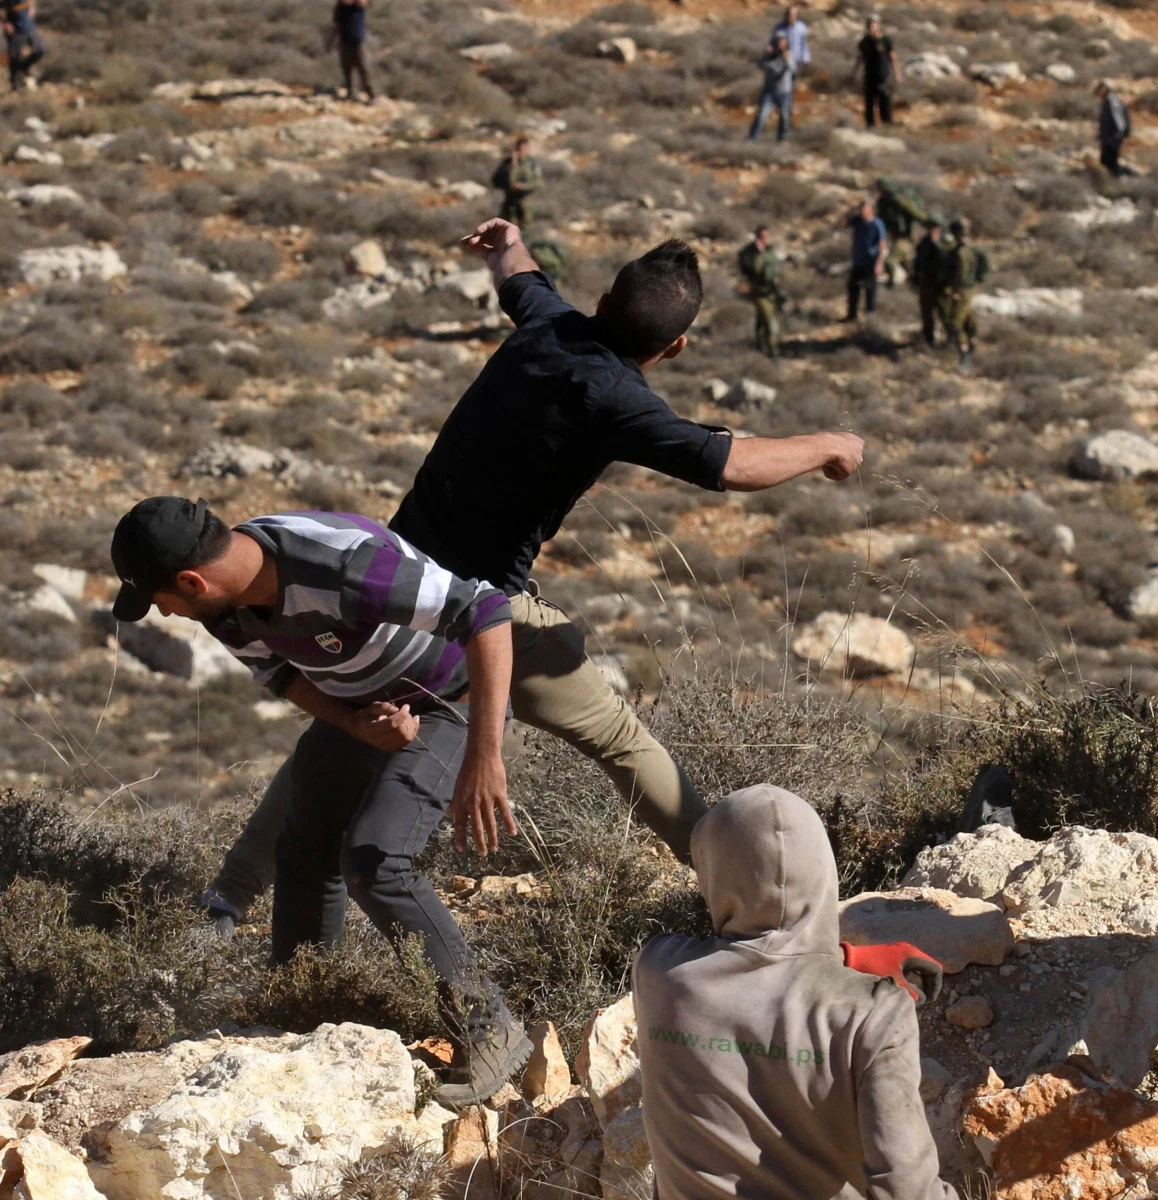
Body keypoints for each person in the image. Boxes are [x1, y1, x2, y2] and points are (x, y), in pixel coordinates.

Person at [200, 222, 865, 941]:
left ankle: (225, 902)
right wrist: (830, 444)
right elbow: (732, 466)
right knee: (621, 742)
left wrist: (501, 242)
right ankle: (751, 899)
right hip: (490, 613)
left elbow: (518, 274)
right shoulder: (620, 400)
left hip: (393, 588)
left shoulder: (546, 324)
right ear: (675, 347)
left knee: (336, 743)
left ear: (604, 298)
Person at [110, 498, 529, 1107]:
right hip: (360, 705)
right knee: (304, 853)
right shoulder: (224, 608)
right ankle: (304, 1013)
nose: (166, 614)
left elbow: (485, 609)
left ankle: (490, 1025)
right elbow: (282, 675)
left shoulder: (337, 564)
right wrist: (355, 725)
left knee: (376, 860)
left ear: (191, 580)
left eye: (161, 601)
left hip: (451, 698)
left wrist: (484, 754)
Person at [634, 784, 959, 1200]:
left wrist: (839, 959)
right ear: (824, 868)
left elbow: (757, 970)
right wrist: (838, 966)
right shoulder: (874, 1017)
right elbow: (907, 1190)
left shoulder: (658, 972)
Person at [941, 217, 988, 369]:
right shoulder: (973, 250)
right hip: (969, 289)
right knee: (968, 319)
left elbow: (960, 273)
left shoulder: (960, 253)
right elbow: (984, 266)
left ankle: (965, 353)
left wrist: (958, 289)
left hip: (962, 290)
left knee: (954, 323)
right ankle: (972, 342)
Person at [737, 225, 785, 356]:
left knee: (761, 320)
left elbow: (777, 270)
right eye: (761, 237)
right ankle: (772, 352)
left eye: (766, 237)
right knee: (770, 322)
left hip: (772, 292)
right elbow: (749, 270)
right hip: (758, 292)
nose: (764, 240)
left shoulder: (771, 251)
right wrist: (758, 253)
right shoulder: (748, 253)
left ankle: (759, 346)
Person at [875, 177, 928, 287]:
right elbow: (880, 218)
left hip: (904, 238)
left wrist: (925, 221)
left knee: (890, 261)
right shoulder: (883, 202)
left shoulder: (898, 200)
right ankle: (917, 281)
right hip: (895, 237)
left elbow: (913, 211)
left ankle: (891, 283)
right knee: (905, 262)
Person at [853, 14, 900, 128]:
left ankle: (887, 126)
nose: (871, 27)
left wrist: (897, 74)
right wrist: (855, 71)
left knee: (884, 102)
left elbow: (893, 57)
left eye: (873, 24)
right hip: (869, 76)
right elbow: (860, 57)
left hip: (883, 76)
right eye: (869, 25)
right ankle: (870, 126)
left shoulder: (885, 40)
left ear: (878, 25)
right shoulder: (864, 41)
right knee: (869, 103)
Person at [845, 198, 888, 322]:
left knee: (870, 290)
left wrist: (879, 263)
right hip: (858, 260)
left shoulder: (877, 224)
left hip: (870, 261)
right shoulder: (857, 221)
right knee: (853, 288)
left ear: (871, 210)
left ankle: (871, 317)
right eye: (861, 209)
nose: (862, 212)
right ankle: (851, 315)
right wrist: (851, 209)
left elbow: (882, 244)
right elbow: (844, 223)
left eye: (864, 209)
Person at [748, 34, 797, 142]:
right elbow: (763, 66)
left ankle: (781, 140)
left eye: (783, 41)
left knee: (784, 117)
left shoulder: (789, 55)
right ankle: (752, 139)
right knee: (762, 115)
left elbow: (794, 70)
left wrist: (787, 59)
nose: (781, 44)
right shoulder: (769, 56)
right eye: (778, 42)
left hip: (784, 91)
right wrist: (765, 54)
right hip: (769, 91)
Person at [911, 214, 947, 349]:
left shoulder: (945, 243)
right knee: (927, 314)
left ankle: (951, 341)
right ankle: (929, 341)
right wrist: (915, 279)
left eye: (934, 227)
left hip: (941, 285)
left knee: (945, 314)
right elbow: (918, 262)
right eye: (930, 227)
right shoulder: (924, 242)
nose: (932, 229)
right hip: (926, 283)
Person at [327, 0, 373, 102]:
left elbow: (363, 2)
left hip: (358, 43)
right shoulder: (339, 8)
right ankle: (351, 94)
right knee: (347, 70)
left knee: (363, 69)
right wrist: (330, 42)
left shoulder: (357, 6)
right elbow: (336, 26)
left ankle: (372, 95)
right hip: (344, 42)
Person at [492, 136, 543, 228]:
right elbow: (496, 181)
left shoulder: (531, 164)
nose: (522, 150)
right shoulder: (507, 163)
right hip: (509, 202)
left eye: (525, 148)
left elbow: (538, 182)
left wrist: (523, 186)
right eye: (520, 148)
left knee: (525, 229)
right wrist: (513, 166)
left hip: (525, 203)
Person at [3, 0, 44, 92]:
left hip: (30, 28)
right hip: (15, 32)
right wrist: (5, 23)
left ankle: (25, 66)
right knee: (14, 57)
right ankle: (15, 85)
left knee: (40, 49)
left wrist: (32, 7)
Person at [1095, 80, 1131, 178]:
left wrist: (1117, 135)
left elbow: (1119, 121)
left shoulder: (1112, 102)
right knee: (1106, 161)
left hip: (1112, 137)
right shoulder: (1106, 101)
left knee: (1111, 161)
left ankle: (1125, 177)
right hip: (1107, 137)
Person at [771, 4, 811, 72]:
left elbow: (804, 45)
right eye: (788, 14)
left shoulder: (801, 28)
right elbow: (772, 41)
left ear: (796, 16)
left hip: (796, 61)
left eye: (792, 15)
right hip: (780, 60)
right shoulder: (779, 27)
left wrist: (805, 59)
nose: (790, 16)